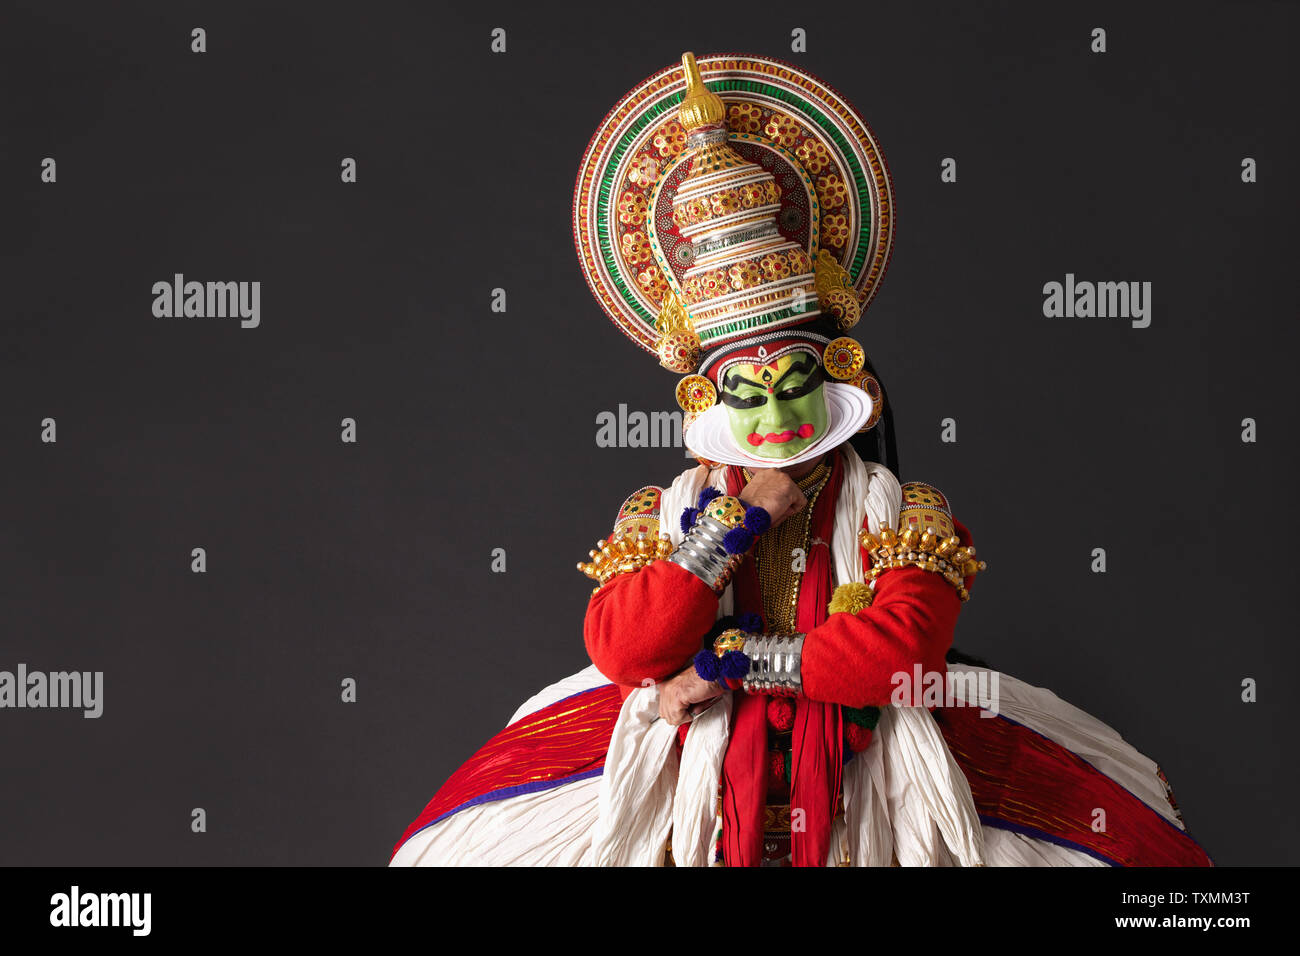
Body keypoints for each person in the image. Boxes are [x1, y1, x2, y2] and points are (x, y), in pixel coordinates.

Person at [389, 52, 1211, 867]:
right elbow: (626, 649)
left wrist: (739, 660)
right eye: (748, 393)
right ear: (705, 402)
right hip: (696, 786)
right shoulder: (662, 512)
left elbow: (902, 657)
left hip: (876, 779)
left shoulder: (906, 509)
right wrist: (735, 525)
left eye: (794, 384)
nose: (777, 415)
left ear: (840, 375)